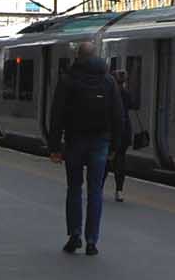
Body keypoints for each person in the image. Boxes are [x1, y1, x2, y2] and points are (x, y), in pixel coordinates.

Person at [47, 42, 129, 255]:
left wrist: (54, 146)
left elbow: (57, 115)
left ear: (78, 56)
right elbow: (118, 116)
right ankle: (92, 241)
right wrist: (116, 146)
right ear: (96, 57)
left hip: (75, 141)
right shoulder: (108, 81)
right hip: (100, 142)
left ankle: (75, 236)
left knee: (74, 188)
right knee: (95, 192)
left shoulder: (68, 80)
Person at [110, 69, 135, 202]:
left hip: (111, 131)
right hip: (125, 131)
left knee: (105, 160)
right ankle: (119, 191)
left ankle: (97, 188)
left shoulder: (110, 94)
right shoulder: (126, 94)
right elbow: (132, 105)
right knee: (120, 161)